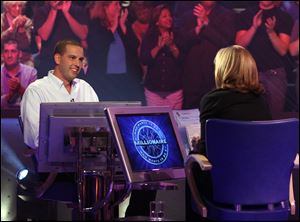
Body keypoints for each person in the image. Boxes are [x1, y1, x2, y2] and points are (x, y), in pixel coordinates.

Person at [188, 45, 272, 220]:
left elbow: (207, 152)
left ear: (223, 70)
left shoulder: (212, 101)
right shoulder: (263, 102)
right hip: (263, 188)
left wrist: (196, 148)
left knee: (192, 162)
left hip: (224, 189)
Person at [21, 39, 98, 197]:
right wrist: (72, 137)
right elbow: (34, 139)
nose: (77, 63)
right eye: (72, 57)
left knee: (140, 179)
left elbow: (99, 128)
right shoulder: (37, 90)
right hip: (54, 169)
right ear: (57, 59)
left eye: (80, 59)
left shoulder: (85, 88)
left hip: (89, 163)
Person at [235, 1, 293, 119]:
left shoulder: (283, 17)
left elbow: (283, 50)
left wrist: (271, 32)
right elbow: (239, 45)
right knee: (249, 116)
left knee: (274, 117)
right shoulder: (246, 15)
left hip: (275, 74)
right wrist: (254, 27)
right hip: (250, 73)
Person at [178, 1, 236, 109]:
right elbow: (180, 43)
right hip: (192, 80)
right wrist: (196, 30)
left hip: (214, 79)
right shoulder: (187, 16)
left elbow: (226, 44)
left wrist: (207, 23)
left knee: (215, 116)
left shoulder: (227, 15)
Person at [86, 1, 144, 103]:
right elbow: (99, 48)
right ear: (105, 7)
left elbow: (134, 46)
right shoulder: (96, 24)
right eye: (116, 4)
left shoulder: (123, 24)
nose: (119, 7)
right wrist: (113, 28)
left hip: (122, 79)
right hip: (103, 80)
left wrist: (122, 26)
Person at [140, 4, 183, 109]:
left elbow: (182, 60)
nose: (169, 19)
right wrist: (158, 47)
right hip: (154, 92)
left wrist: (172, 46)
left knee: (175, 122)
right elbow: (144, 59)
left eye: (169, 16)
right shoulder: (149, 37)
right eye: (164, 16)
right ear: (156, 21)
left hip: (174, 92)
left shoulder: (177, 35)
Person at [33, 1, 88, 78]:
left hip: (73, 61)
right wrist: (53, 10)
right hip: (49, 60)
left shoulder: (77, 10)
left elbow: (83, 35)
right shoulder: (42, 11)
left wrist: (66, 13)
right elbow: (44, 35)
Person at [1, 39, 37, 108]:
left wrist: (19, 89)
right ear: (2, 55)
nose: (9, 55)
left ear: (19, 54)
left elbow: (34, 101)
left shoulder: (31, 73)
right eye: (6, 51)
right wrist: (10, 95)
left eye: (13, 51)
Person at [1, 1, 34, 66]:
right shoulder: (1, 20)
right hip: (3, 58)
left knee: (29, 66)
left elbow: (27, 46)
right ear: (7, 8)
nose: (17, 9)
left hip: (22, 59)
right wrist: (10, 30)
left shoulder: (27, 22)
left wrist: (21, 29)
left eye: (20, 6)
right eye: (14, 6)